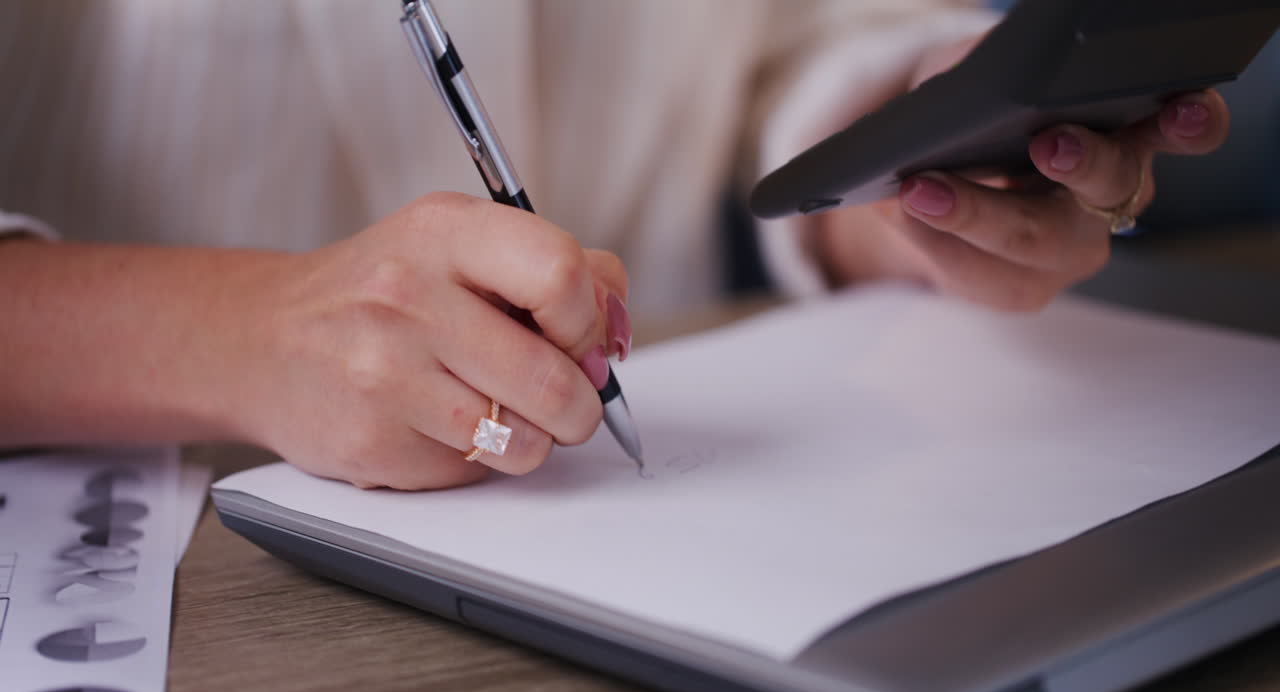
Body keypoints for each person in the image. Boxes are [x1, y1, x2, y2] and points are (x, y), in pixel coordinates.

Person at [0, 1, 1231, 490]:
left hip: (674, 486)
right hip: (163, 558)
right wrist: (242, 333)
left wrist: (924, 154)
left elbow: (779, 61)